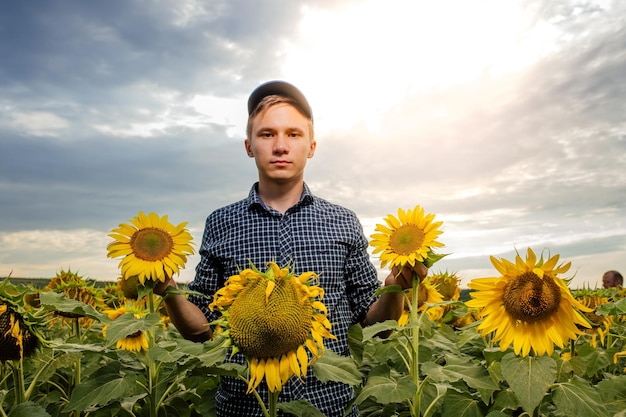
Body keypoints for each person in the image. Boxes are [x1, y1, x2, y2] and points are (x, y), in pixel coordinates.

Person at [155, 80, 425, 416]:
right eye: (267, 134)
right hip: (244, 407)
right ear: (249, 146)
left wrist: (395, 290)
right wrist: (166, 288)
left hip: (329, 406)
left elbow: (372, 326)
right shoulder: (221, 222)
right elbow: (202, 329)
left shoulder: (343, 221)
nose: (280, 146)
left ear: (311, 146)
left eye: (293, 134)